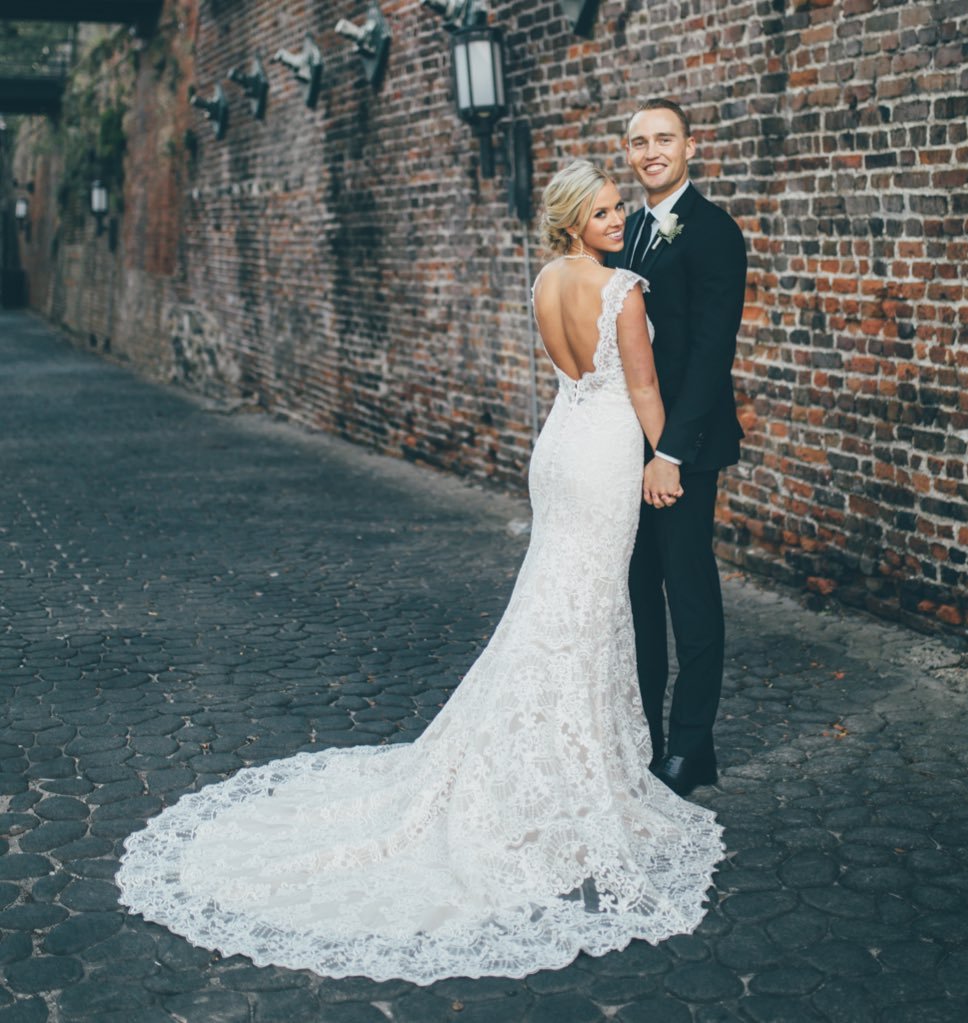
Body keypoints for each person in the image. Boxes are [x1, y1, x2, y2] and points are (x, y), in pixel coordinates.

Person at [116, 160, 724, 986]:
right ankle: (570, 776)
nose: (618, 219)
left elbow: (570, 374)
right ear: (574, 219)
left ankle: (564, 757)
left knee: (556, 603)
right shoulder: (621, 289)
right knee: (583, 609)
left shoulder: (545, 280)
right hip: (609, 456)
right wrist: (668, 458)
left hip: (558, 453)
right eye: (604, 210)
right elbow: (644, 386)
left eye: (619, 207)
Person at [610, 99, 748, 798]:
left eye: (663, 138)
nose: (650, 150)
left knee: (687, 593)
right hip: (624, 447)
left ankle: (691, 748)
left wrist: (668, 451)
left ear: (691, 146)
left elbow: (707, 356)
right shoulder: (628, 228)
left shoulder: (715, 232)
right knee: (637, 592)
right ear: (628, 153)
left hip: (680, 449)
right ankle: (647, 737)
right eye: (638, 141)